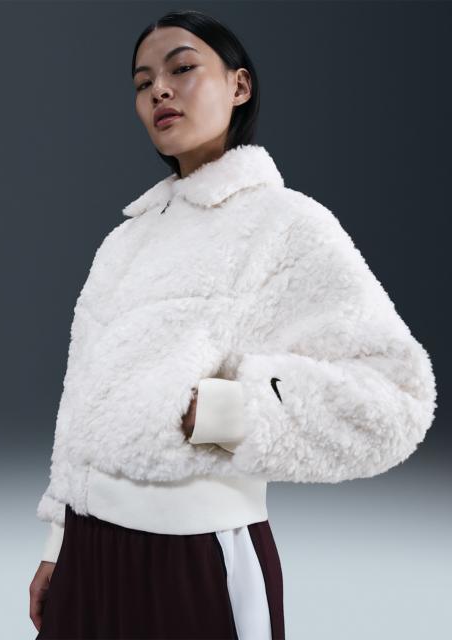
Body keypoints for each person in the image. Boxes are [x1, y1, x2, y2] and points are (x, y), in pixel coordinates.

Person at [29, 9, 437, 640]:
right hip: (89, 555)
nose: (159, 90)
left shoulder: (287, 223)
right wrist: (58, 542)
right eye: (143, 82)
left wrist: (231, 412)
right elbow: (79, 405)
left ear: (239, 85)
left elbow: (398, 396)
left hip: (194, 560)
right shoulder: (124, 242)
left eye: (182, 68)